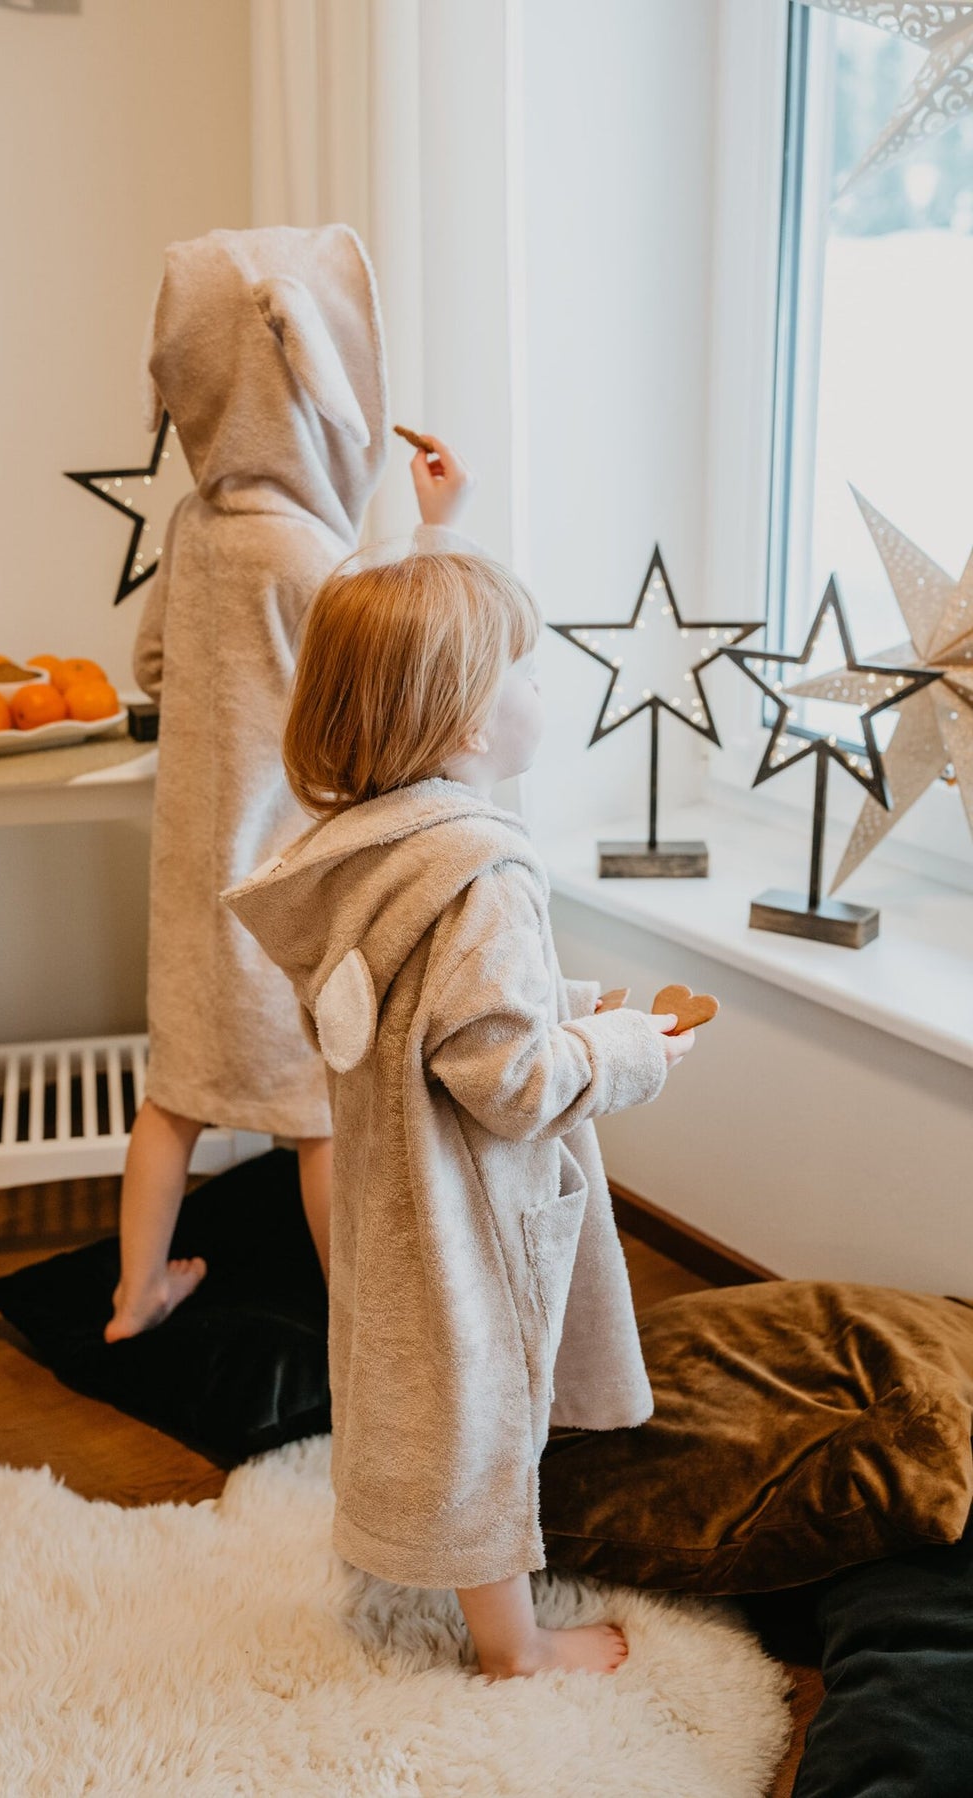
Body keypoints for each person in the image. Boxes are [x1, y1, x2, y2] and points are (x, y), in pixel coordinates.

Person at [225, 464, 695, 1677]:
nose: (543, 687)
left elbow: (437, 1015)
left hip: (393, 1186)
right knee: (483, 1401)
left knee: (422, 1384)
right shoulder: (480, 871)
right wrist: (627, 1050)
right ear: (474, 724)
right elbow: (513, 1081)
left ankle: (417, 1548)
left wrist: (573, 1007)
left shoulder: (365, 846)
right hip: (468, 1206)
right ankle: (515, 1645)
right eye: (527, 671)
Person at [104, 224, 391, 1342]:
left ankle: (136, 1295)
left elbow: (152, 667)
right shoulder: (316, 559)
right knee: (318, 1116)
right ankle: (356, 1324)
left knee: (171, 1101)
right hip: (286, 895)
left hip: (192, 886)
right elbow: (372, 697)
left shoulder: (194, 529)